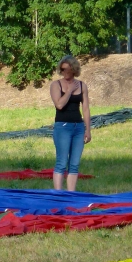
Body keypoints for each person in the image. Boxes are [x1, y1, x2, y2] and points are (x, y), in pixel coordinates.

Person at [50, 55, 91, 192]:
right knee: (61, 162)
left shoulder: (82, 85)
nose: (64, 72)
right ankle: (58, 194)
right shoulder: (56, 85)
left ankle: (71, 194)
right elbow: (59, 105)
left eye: (67, 69)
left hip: (78, 127)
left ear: (74, 69)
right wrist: (68, 91)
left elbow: (85, 108)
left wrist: (88, 130)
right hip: (62, 127)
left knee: (74, 164)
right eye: (62, 70)